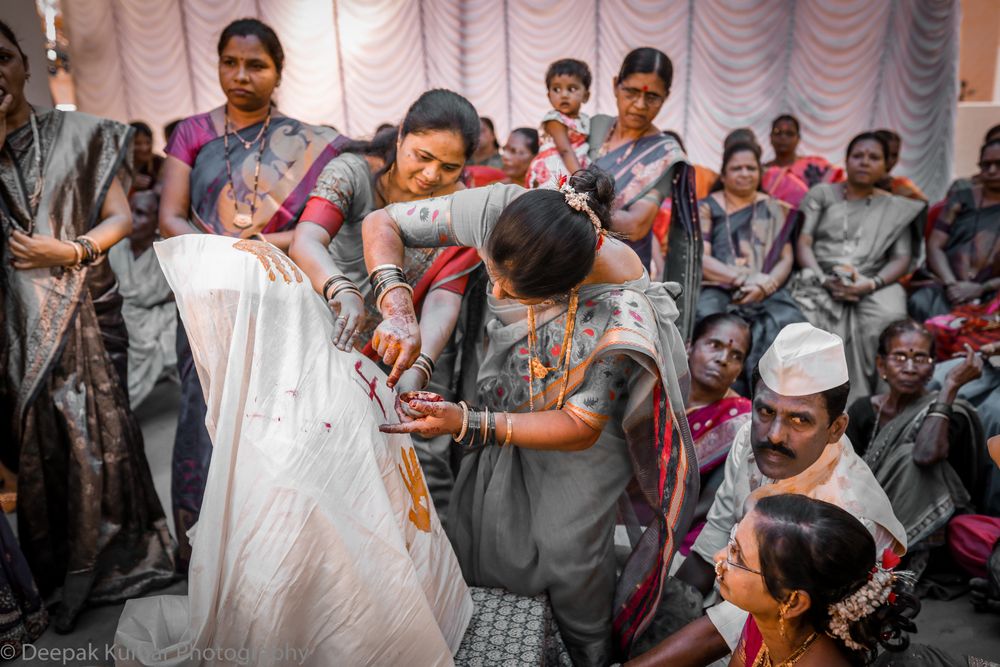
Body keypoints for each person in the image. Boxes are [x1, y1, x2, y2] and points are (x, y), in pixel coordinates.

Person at [362, 168, 697, 665]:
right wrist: (397, 307)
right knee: (486, 529)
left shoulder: (622, 311)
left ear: (568, 286)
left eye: (514, 292)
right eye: (492, 273)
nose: (494, 294)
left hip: (584, 442)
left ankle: (590, 654)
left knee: (570, 555)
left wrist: (470, 424)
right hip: (501, 399)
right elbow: (381, 222)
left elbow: (581, 426)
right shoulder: (505, 214)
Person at [0, 20, 175, 633]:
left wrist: (68, 253)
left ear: (24, 61)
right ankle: (58, 571)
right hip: (15, 330)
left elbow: (120, 217)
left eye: (1, 57)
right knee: (42, 446)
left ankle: (118, 562)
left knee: (97, 433)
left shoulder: (84, 134)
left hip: (87, 312)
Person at [159, 18, 345, 569]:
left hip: (275, 293)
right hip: (207, 295)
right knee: (204, 412)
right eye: (230, 63)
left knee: (279, 413)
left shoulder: (311, 140)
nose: (241, 75)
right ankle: (204, 547)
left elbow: (321, 223)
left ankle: (280, 547)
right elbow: (170, 215)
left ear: (278, 72)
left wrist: (260, 248)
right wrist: (221, 258)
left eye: (256, 65)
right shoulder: (192, 132)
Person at [630, 322, 906, 667]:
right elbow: (711, 546)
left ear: (836, 428)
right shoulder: (749, 437)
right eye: (765, 411)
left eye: (799, 421)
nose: (774, 435)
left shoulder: (851, 515)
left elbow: (737, 625)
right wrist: (653, 621)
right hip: (732, 598)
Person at [289, 90, 482, 517]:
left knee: (419, 465)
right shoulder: (354, 175)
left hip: (410, 351)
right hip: (332, 336)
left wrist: (417, 369)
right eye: (422, 156)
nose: (431, 175)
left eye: (450, 167)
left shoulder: (460, 211)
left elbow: (443, 302)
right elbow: (307, 239)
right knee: (323, 453)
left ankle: (427, 574)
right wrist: (341, 289)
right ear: (400, 138)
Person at [790, 132, 925, 402]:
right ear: (847, 160)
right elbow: (803, 241)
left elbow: (901, 258)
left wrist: (870, 284)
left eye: (873, 157)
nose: (865, 162)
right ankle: (808, 400)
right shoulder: (823, 193)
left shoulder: (894, 207)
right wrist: (820, 278)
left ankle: (879, 403)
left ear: (886, 165)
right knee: (805, 318)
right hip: (819, 274)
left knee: (888, 316)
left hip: (873, 280)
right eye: (858, 156)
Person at [718, 495, 918, 667]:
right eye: (732, 542)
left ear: (793, 602)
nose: (719, 557)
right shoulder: (765, 620)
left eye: (737, 555)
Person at [845, 320, 986, 563]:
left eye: (920, 358)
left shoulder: (951, 413)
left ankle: (882, 560)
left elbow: (925, 454)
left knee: (908, 458)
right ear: (881, 365)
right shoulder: (863, 410)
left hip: (931, 529)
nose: (909, 367)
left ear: (932, 370)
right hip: (867, 518)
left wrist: (949, 388)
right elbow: (847, 475)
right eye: (899, 357)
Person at [696, 141, 806, 393]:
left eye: (750, 168)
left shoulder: (775, 208)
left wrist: (767, 284)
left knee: (788, 322)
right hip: (718, 285)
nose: (745, 174)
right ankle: (717, 393)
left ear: (759, 173)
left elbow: (786, 259)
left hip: (767, 287)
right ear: (723, 175)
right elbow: (702, 258)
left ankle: (773, 395)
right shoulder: (707, 206)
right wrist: (744, 279)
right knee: (709, 319)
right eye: (737, 169)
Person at [589, 48, 696, 274]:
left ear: (665, 96)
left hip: (619, 272)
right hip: (565, 255)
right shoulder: (594, 126)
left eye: (652, 97)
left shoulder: (664, 154)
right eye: (631, 92)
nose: (640, 105)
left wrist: (572, 206)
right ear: (615, 85)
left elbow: (635, 226)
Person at [908, 139, 1000, 357]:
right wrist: (952, 285)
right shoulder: (962, 198)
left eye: (999, 164)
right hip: (947, 285)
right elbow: (935, 245)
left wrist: (981, 287)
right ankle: (924, 370)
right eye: (986, 165)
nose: (992, 171)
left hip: (992, 292)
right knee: (920, 302)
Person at [682, 313, 752, 554]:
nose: (723, 359)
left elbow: (712, 508)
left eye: (736, 356)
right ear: (689, 346)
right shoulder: (655, 389)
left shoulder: (742, 421)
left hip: (685, 533)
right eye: (715, 345)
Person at [108, 190, 177, 406]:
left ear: (157, 222)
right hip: (119, 311)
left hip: (154, 314)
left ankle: (120, 404)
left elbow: (171, 294)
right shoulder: (115, 245)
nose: (131, 219)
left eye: (140, 213)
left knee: (150, 338)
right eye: (129, 211)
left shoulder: (168, 253)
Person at [527, 58, 592, 189]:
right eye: (556, 89)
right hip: (554, 168)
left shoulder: (584, 120)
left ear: (586, 96)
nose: (564, 95)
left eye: (572, 89)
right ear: (549, 96)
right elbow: (565, 150)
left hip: (573, 166)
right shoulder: (554, 119)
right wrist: (580, 176)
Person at [764, 114, 843, 189]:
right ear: (770, 137)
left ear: (798, 138)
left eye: (789, 133)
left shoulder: (814, 166)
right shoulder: (763, 171)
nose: (783, 137)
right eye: (778, 133)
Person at [873, 129, 927, 201]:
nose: (889, 160)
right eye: (884, 154)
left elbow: (923, 204)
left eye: (894, 155)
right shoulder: (856, 183)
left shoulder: (898, 184)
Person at [129, 121, 164, 193]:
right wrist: (128, 182)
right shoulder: (120, 165)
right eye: (137, 143)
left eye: (148, 142)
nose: (144, 148)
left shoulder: (160, 162)